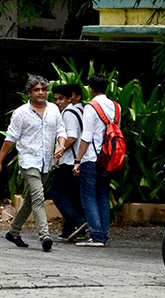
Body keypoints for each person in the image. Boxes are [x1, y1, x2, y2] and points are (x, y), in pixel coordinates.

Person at [0, 75, 67, 252]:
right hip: (29, 161)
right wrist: (0, 159)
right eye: (36, 90)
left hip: (46, 162)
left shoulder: (53, 109)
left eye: (43, 89)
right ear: (29, 93)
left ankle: (13, 232)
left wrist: (61, 146)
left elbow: (61, 129)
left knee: (30, 199)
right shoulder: (21, 113)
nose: (41, 92)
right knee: (38, 197)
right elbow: (10, 138)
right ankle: (45, 236)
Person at [72, 74, 118, 247]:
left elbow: (86, 137)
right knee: (103, 195)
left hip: (91, 157)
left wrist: (78, 160)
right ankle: (103, 233)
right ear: (106, 88)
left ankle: (96, 235)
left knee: (89, 196)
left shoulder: (91, 107)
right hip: (109, 158)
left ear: (90, 89)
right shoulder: (116, 107)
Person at [51, 84, 87, 242]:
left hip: (69, 161)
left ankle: (78, 221)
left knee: (57, 192)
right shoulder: (81, 111)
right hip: (79, 160)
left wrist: (59, 152)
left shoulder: (68, 113)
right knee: (72, 196)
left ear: (69, 99)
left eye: (61, 99)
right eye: (56, 99)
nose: (58, 102)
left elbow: (71, 137)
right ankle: (71, 231)